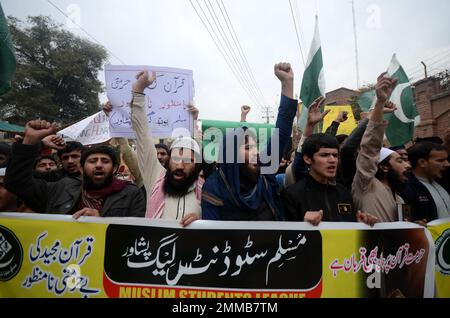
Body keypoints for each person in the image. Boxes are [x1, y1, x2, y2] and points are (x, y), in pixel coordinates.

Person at [201, 62, 297, 221]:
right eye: (247, 148)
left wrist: (287, 83)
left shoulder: (265, 169)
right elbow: (212, 237)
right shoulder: (214, 187)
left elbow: (283, 128)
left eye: (255, 147)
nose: (256, 152)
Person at [5, 120, 145, 218]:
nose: (98, 165)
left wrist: (102, 221)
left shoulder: (132, 194)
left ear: (114, 169)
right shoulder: (60, 188)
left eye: (105, 161)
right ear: (82, 169)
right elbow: (16, 182)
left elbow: (136, 234)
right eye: (92, 161)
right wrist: (31, 141)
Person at [130, 71, 203, 226]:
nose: (180, 165)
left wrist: (201, 222)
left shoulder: (205, 192)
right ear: (169, 160)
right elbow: (142, 135)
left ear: (197, 166)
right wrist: (138, 91)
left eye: (188, 161)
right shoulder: (155, 177)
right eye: (176, 158)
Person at [282, 133, 378, 226]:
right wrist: (302, 223)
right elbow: (286, 236)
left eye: (335, 155)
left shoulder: (343, 193)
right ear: (308, 159)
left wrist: (360, 223)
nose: (332, 160)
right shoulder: (292, 194)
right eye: (324, 155)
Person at [352, 73, 411, 222]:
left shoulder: (399, 199)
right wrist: (380, 102)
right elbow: (370, 147)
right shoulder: (366, 185)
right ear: (384, 167)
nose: (408, 165)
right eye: (400, 160)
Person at [402, 141, 450, 223]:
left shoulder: (443, 181)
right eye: (440, 161)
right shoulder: (407, 189)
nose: (447, 164)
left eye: (446, 159)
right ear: (422, 162)